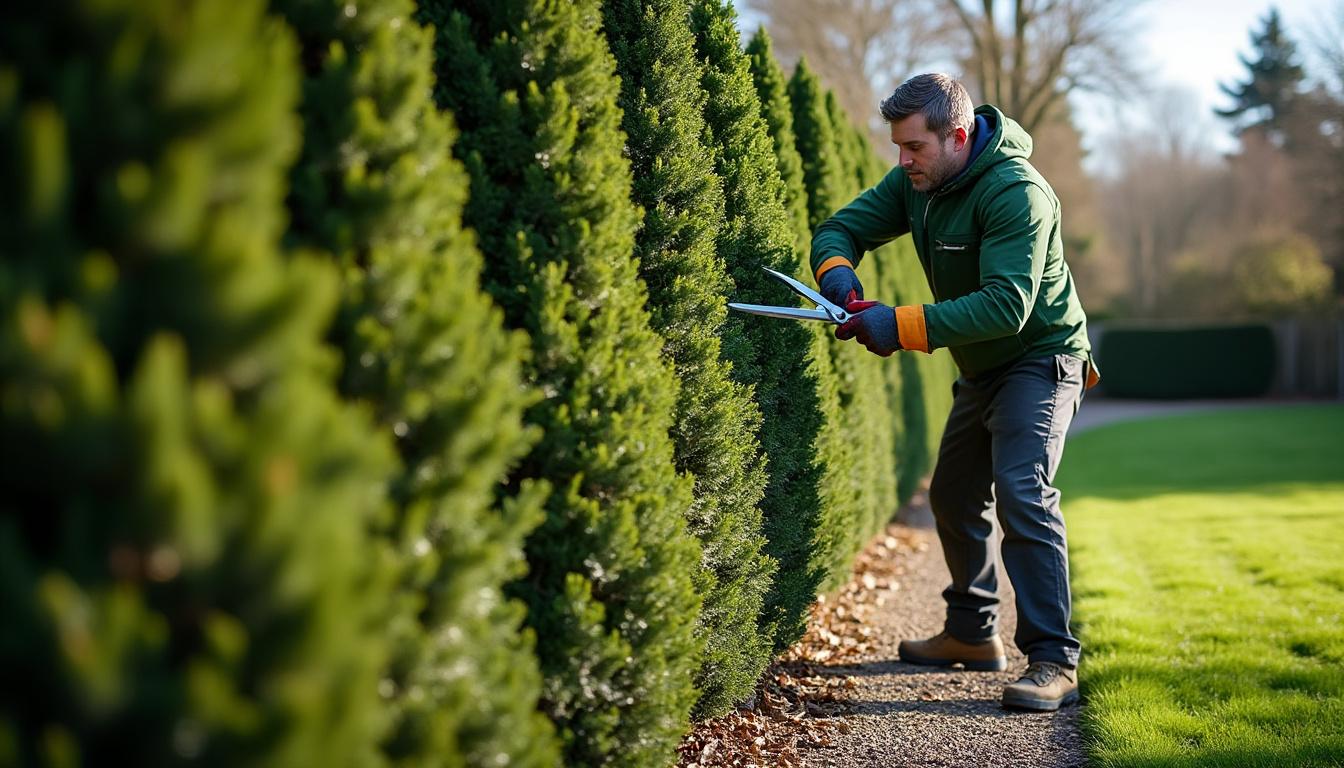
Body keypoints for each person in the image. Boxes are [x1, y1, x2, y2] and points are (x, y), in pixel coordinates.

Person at [811, 73, 1098, 712]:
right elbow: (839, 229)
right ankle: (972, 633)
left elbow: (1006, 307)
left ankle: (1054, 661)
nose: (902, 159)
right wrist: (838, 280)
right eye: (898, 147)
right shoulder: (918, 182)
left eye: (914, 147)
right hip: (982, 367)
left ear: (958, 135)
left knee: (1022, 490)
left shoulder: (1017, 194)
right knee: (953, 494)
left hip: (1042, 358)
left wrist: (900, 324)